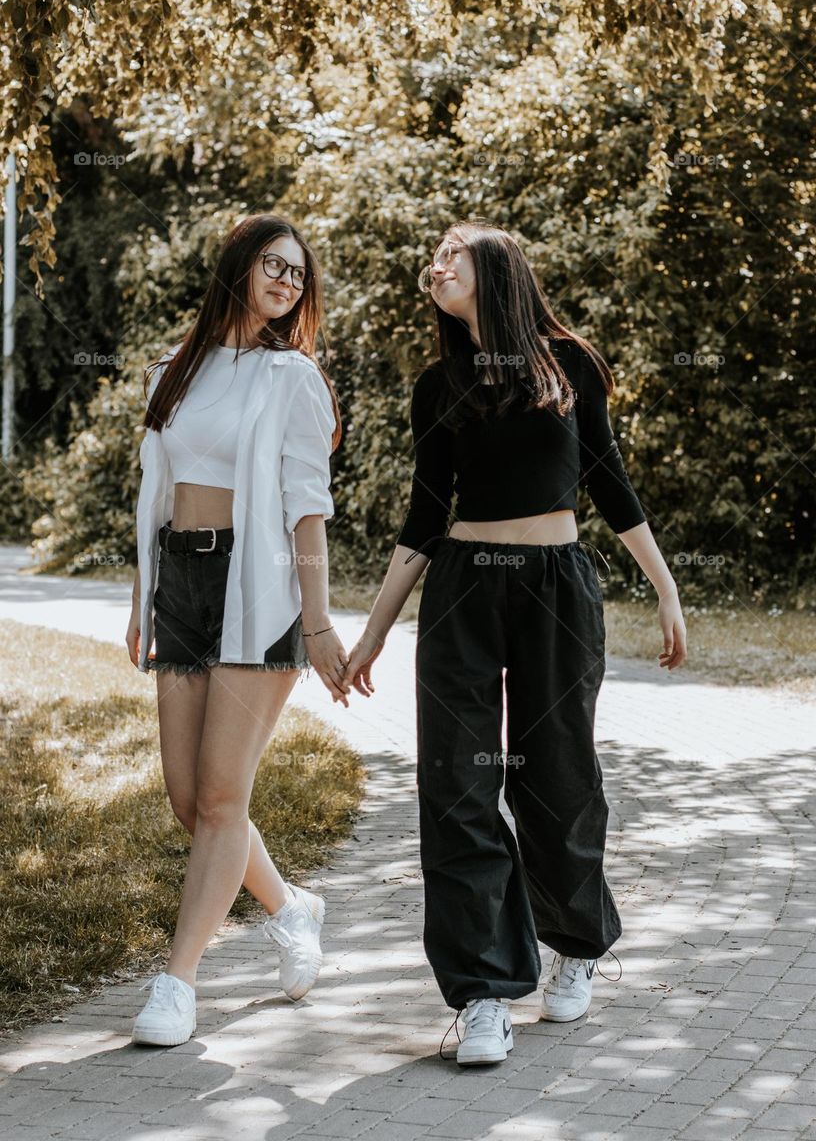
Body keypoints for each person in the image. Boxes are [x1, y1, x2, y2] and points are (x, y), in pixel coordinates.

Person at [344, 220, 687, 1066]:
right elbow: (424, 517)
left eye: (449, 257)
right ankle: (486, 990)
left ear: (495, 269)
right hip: (464, 586)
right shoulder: (437, 386)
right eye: (431, 261)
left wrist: (665, 585)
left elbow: (607, 477)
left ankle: (576, 944)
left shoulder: (569, 364)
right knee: (456, 786)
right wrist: (372, 634)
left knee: (558, 778)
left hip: (556, 589)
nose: (433, 268)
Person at [125, 213, 349, 1046]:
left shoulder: (292, 378)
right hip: (182, 582)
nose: (288, 283)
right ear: (238, 267)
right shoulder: (171, 372)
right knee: (190, 801)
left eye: (299, 275)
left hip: (257, 590)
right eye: (273, 266)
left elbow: (307, 510)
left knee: (223, 799)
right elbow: (155, 495)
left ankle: (176, 985)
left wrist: (318, 623)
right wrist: (144, 597)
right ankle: (292, 909)